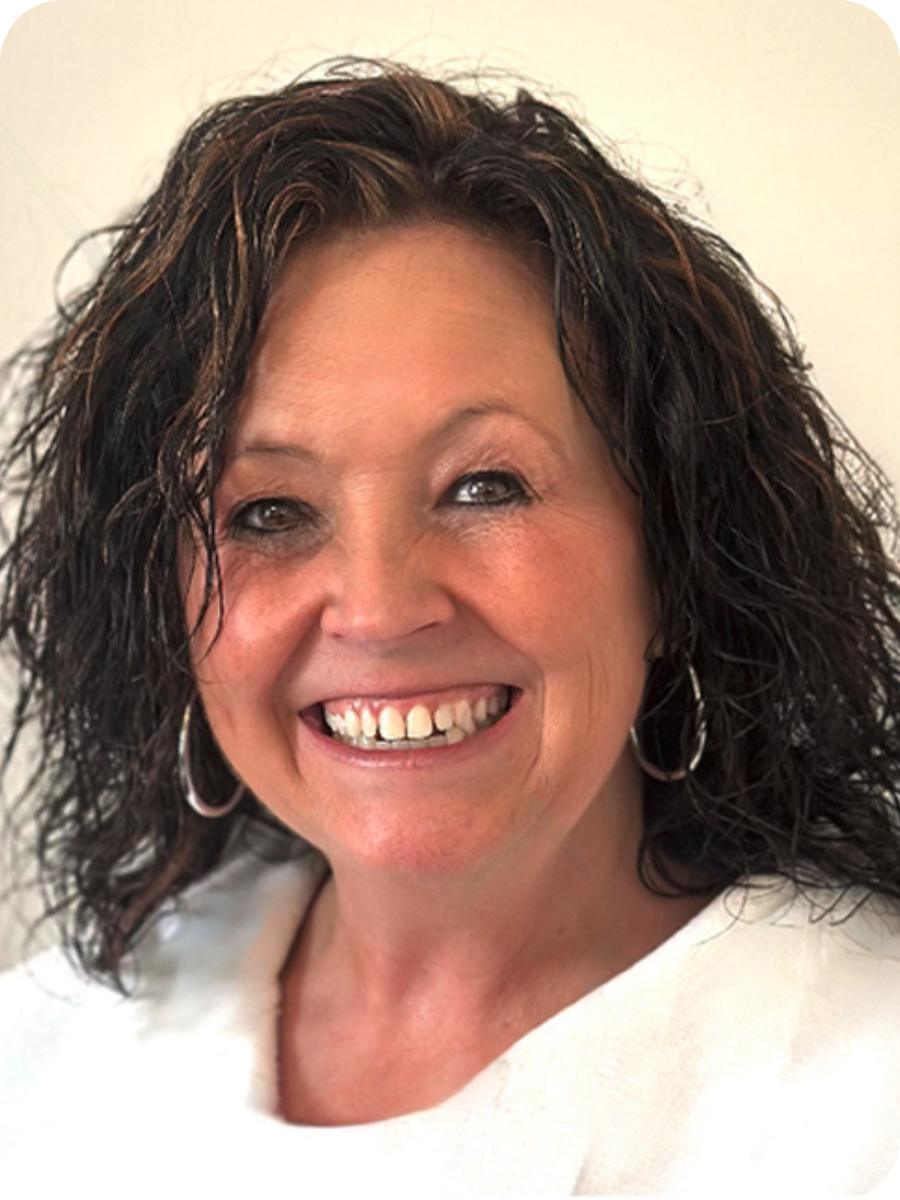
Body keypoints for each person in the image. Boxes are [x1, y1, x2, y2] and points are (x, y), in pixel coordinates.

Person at [1, 57, 900, 1198]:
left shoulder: (874, 1089)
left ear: (676, 553)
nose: (379, 608)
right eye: (268, 512)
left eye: (485, 487)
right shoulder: (33, 1072)